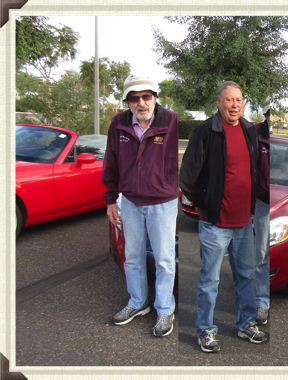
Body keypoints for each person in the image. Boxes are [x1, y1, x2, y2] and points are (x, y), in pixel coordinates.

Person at [180, 81, 267, 353]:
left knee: (245, 277)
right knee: (210, 280)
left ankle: (246, 324)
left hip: (244, 223)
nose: (234, 105)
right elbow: (187, 177)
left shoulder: (248, 130)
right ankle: (205, 330)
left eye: (239, 100)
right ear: (218, 102)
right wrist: (203, 206)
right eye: (229, 100)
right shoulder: (205, 131)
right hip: (215, 223)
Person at [101, 73, 179, 337]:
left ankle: (165, 309)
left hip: (163, 203)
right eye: (134, 99)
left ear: (156, 98)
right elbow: (110, 163)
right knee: (132, 257)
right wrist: (111, 199)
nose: (141, 103)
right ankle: (138, 303)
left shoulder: (172, 120)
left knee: (165, 260)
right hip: (131, 202)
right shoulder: (118, 124)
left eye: (146, 96)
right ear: (128, 102)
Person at [254, 98, 270, 325]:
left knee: (264, 255)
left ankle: (262, 301)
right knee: (255, 255)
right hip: (257, 202)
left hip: (277, 205)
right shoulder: (254, 133)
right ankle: (256, 301)